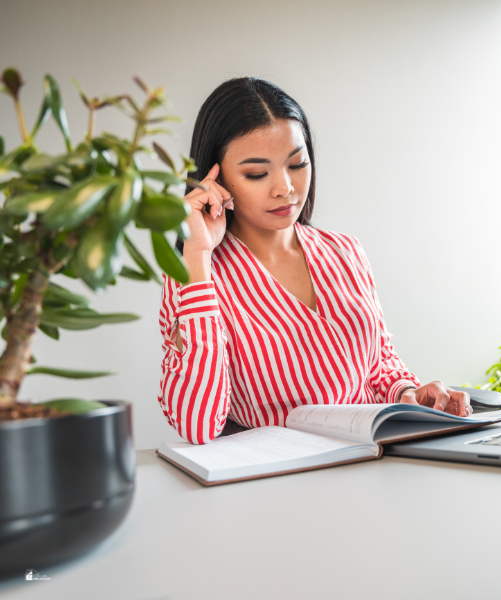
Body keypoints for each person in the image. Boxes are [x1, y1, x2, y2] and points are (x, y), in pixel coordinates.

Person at [158, 77, 471, 444]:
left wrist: (409, 395)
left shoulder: (344, 251)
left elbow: (378, 364)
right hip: (277, 482)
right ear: (215, 177)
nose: (285, 188)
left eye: (297, 164)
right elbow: (196, 425)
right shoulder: (195, 275)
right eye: (257, 174)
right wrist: (197, 257)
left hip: (375, 460)